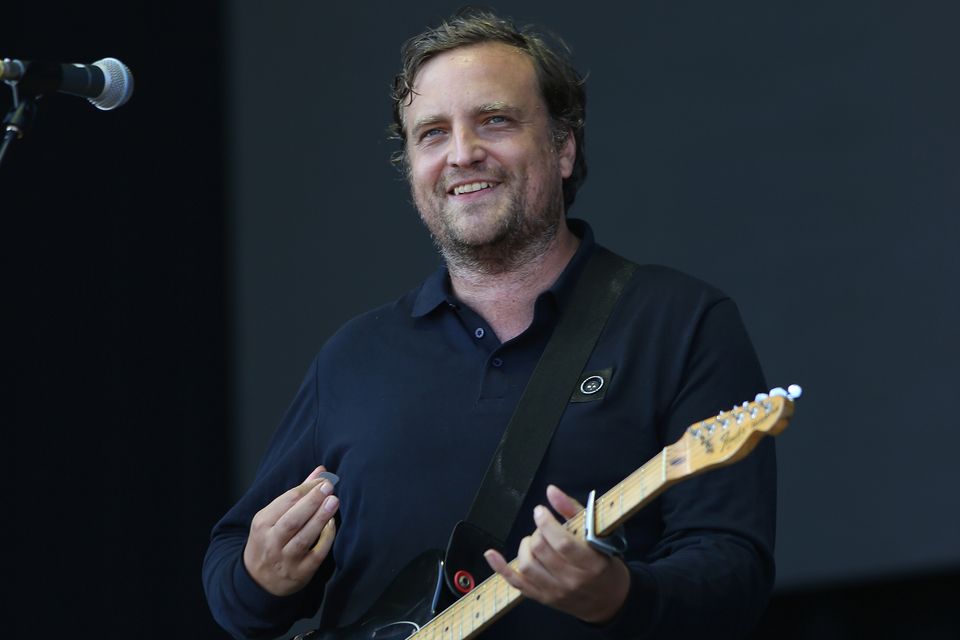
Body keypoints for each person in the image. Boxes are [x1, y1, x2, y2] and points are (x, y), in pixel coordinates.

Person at [203, 8, 776, 639]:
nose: (462, 154)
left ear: (564, 147)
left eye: (494, 121)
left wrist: (620, 595)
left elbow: (734, 576)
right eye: (432, 134)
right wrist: (259, 578)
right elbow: (235, 572)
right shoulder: (355, 356)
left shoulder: (679, 323)